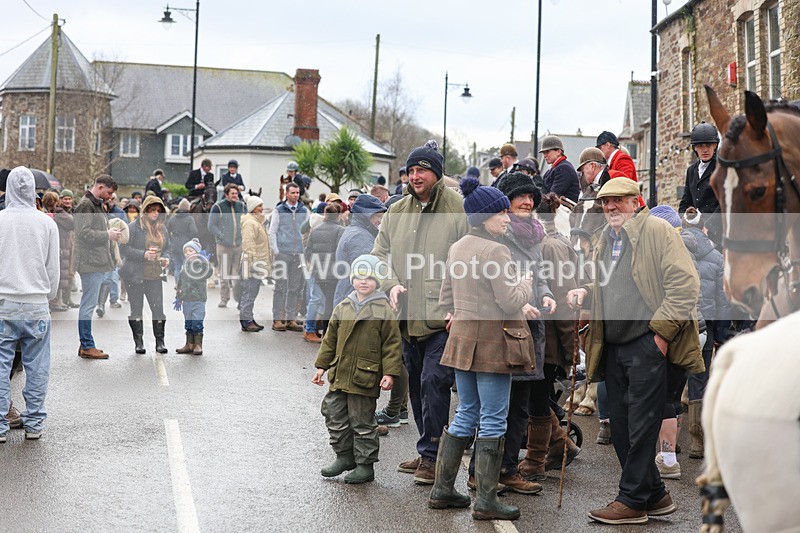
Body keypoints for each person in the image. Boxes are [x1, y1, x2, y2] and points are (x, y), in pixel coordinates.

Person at [567, 177, 703, 525]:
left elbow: (685, 284)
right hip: (613, 344)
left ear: (635, 201)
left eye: (618, 200)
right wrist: (585, 292)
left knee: (642, 425)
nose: (611, 207)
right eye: (606, 202)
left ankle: (631, 500)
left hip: (647, 343)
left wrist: (659, 334)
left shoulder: (658, 231)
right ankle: (655, 495)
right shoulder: (603, 239)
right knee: (623, 424)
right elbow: (602, 282)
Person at [429, 177, 533, 520]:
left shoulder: (458, 247)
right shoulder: (497, 250)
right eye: (501, 213)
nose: (507, 218)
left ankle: (443, 489)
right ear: (484, 217)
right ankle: (487, 501)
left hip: (462, 341)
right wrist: (526, 288)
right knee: (492, 418)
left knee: (466, 413)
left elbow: (446, 299)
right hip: (493, 344)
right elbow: (508, 301)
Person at [371, 140, 469, 484]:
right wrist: (390, 283)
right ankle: (428, 447)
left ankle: (432, 457)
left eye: (421, 170)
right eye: (411, 170)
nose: (415, 176)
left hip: (443, 317)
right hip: (405, 315)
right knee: (415, 385)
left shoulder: (457, 208)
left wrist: (461, 305)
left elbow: (470, 258)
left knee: (434, 382)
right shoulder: (396, 211)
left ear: (436, 173)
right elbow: (378, 255)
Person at [312, 254, 403, 484]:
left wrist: (389, 373)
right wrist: (321, 366)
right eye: (359, 277)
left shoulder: (383, 310)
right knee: (334, 414)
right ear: (352, 279)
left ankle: (365, 465)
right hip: (340, 375)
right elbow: (330, 339)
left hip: (365, 376)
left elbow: (392, 345)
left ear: (377, 282)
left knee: (362, 422)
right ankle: (344, 456)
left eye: (369, 278)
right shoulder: (343, 307)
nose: (363, 281)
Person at [0, 167, 60, 442]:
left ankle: (0, 424)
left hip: (4, 302)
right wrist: (47, 295)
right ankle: (34, 422)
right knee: (38, 365)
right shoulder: (47, 223)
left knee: (1, 366)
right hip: (36, 303)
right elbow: (53, 269)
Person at [682, 207, 730, 459]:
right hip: (706, 326)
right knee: (699, 379)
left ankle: (668, 442)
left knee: (673, 378)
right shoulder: (717, 257)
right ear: (705, 228)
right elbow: (723, 300)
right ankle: (696, 441)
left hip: (680, 323)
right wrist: (722, 334)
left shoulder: (674, 249)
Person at [73, 174, 122, 359]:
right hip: (90, 262)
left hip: (94, 261)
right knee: (88, 305)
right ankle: (87, 345)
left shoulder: (94, 204)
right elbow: (83, 233)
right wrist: (107, 235)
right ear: (100, 187)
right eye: (109, 192)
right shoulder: (86, 204)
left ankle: (85, 344)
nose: (110, 196)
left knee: (88, 304)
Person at [120, 195, 171, 355]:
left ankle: (160, 341)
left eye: (158, 210)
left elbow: (168, 247)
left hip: (155, 275)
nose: (155, 213)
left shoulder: (162, 228)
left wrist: (166, 258)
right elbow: (124, 249)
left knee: (158, 310)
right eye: (152, 210)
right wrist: (143, 254)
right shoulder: (134, 227)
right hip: (135, 274)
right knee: (136, 309)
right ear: (146, 210)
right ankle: (139, 342)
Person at [269, 181, 308, 331]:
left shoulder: (304, 210)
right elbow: (272, 231)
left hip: (298, 254)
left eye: (298, 193)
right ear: (286, 194)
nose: (296, 195)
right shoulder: (278, 210)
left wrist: (303, 250)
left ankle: (291, 318)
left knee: (294, 288)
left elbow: (307, 231)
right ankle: (278, 319)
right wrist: (276, 251)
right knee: (280, 287)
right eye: (293, 192)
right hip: (283, 254)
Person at [303, 203, 344, 341]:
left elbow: (307, 251)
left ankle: (315, 330)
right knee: (330, 304)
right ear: (338, 216)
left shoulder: (315, 230)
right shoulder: (340, 230)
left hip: (319, 273)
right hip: (333, 273)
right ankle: (327, 334)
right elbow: (340, 252)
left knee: (323, 301)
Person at [679, 122, 722, 246]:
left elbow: (723, 204)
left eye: (709, 145)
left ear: (715, 146)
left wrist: (708, 226)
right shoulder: (691, 170)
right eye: (700, 146)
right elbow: (686, 201)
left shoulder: (721, 168)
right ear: (695, 148)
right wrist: (683, 221)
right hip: (695, 230)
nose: (705, 149)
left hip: (716, 232)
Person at [208, 184, 246, 308]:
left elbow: (247, 222)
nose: (235, 196)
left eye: (236, 193)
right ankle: (224, 299)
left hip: (238, 245)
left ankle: (239, 299)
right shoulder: (218, 207)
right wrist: (222, 236)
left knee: (237, 275)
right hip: (224, 246)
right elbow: (211, 225)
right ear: (226, 194)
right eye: (232, 194)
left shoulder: (241, 206)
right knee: (224, 273)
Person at [239, 195, 273, 332]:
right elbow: (249, 245)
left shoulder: (257, 222)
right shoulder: (250, 223)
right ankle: (246, 321)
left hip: (257, 263)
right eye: (259, 206)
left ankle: (249, 318)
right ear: (253, 208)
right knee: (249, 292)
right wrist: (251, 264)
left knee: (252, 292)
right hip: (252, 264)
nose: (262, 208)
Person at [174, 239, 213, 355]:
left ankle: (198, 344)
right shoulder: (184, 266)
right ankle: (189, 344)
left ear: (196, 252)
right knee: (188, 322)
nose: (188, 253)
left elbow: (208, 273)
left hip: (198, 299)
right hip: (187, 299)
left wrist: (206, 263)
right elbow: (180, 283)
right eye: (186, 251)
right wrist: (178, 297)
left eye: (190, 251)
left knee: (197, 321)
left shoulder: (200, 264)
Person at [539, 135, 580, 202]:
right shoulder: (553, 169)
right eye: (544, 153)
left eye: (547, 152)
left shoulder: (564, 168)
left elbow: (553, 195)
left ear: (558, 151)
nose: (545, 156)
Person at [166, 198, 198, 281]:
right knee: (186, 266)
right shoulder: (190, 219)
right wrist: (189, 238)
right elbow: (194, 231)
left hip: (174, 245)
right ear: (188, 208)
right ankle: (184, 286)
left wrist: (171, 240)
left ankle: (177, 285)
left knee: (177, 266)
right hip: (186, 246)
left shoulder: (172, 219)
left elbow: (166, 231)